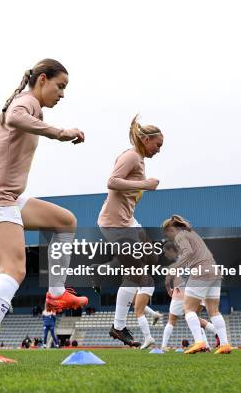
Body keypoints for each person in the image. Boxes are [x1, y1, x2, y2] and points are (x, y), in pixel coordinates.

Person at [0, 59, 87, 363]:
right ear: (42, 79)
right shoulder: (26, 102)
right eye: (60, 86)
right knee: (14, 268)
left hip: (8, 197)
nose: (62, 94)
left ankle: (55, 293)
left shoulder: (22, 103)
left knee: (65, 222)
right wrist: (61, 133)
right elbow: (12, 117)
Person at [97, 115, 163, 349]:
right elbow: (112, 181)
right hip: (115, 223)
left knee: (152, 258)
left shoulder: (140, 160)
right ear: (146, 139)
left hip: (128, 221)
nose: (158, 149)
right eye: (157, 144)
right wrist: (144, 185)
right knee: (136, 273)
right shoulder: (131, 156)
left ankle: (104, 269)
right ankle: (118, 326)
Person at [162, 215, 231, 354]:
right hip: (214, 271)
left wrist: (174, 268)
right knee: (214, 311)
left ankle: (199, 342)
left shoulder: (180, 236)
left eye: (166, 233)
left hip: (201, 272)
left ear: (171, 229)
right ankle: (225, 344)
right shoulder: (192, 233)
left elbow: (188, 253)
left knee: (188, 309)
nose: (168, 237)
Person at [160, 242, 217, 351]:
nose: (166, 255)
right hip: (198, 292)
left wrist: (169, 289)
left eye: (166, 253)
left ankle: (163, 346)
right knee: (195, 318)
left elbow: (168, 280)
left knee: (172, 320)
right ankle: (208, 343)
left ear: (172, 250)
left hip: (181, 292)